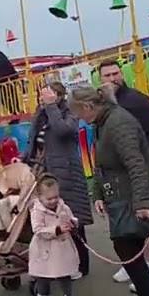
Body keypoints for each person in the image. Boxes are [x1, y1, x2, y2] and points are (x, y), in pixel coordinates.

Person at [68, 85, 149, 296]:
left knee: (129, 250)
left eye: (78, 112)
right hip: (121, 196)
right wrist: (98, 194)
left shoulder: (118, 123)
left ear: (89, 107)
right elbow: (101, 165)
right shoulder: (104, 122)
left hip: (133, 197)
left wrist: (143, 203)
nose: (79, 118)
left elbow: (136, 164)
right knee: (126, 250)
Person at [97, 58, 149, 289]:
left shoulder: (137, 102)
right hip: (118, 179)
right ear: (99, 78)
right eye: (107, 75)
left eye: (116, 73)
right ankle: (132, 264)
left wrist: (148, 171)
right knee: (127, 224)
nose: (113, 78)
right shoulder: (104, 107)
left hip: (141, 173)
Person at [23, 80, 94, 278]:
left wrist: (52, 106)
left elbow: (64, 131)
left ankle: (82, 264)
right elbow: (35, 141)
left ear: (59, 96)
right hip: (45, 171)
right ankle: (53, 264)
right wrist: (23, 158)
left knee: (71, 218)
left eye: (49, 94)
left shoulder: (69, 112)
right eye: (43, 94)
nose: (44, 98)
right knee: (46, 218)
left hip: (67, 172)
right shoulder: (42, 113)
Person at [28, 175, 79, 296]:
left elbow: (71, 217)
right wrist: (56, 230)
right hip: (44, 248)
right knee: (43, 276)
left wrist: (73, 223)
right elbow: (37, 229)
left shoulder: (63, 207)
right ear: (40, 197)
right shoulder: (36, 211)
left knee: (65, 275)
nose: (53, 201)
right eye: (49, 199)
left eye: (56, 197)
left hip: (62, 247)